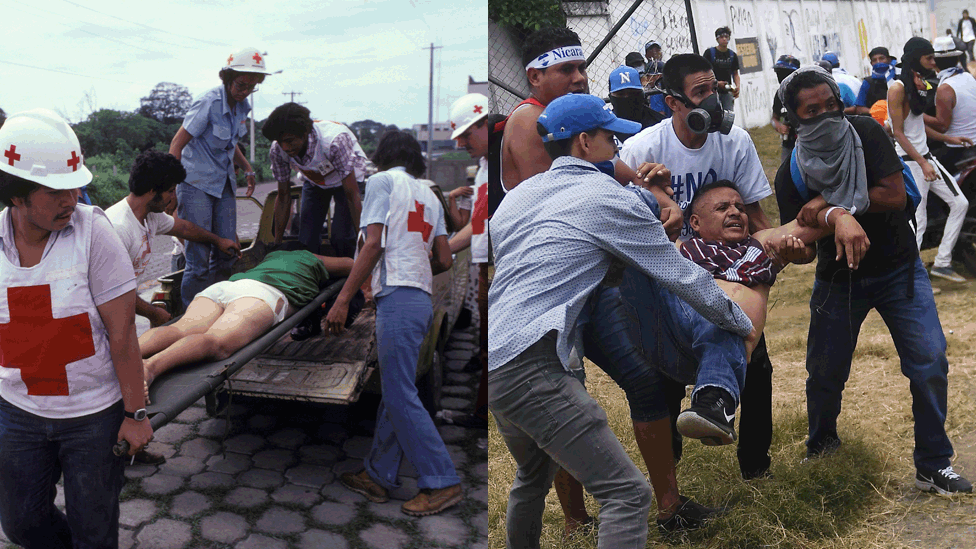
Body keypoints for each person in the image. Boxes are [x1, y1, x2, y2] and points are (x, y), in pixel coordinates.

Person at [488, 92, 754, 549]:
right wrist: (740, 322)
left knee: (532, 476)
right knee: (627, 494)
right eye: (611, 138)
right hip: (530, 365)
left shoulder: (515, 201)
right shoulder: (604, 197)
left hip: (493, 355)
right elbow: (681, 277)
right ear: (585, 143)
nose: (617, 148)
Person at [496, 26, 683, 536]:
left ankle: (668, 504)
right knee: (566, 398)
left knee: (641, 381)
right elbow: (576, 197)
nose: (580, 77)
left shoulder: (574, 123)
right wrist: (647, 204)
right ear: (535, 75)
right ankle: (579, 520)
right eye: (566, 70)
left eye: (581, 68)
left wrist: (657, 194)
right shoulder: (529, 122)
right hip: (553, 295)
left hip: (587, 286)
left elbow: (614, 170)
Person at [775, 66, 973, 495]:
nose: (827, 115)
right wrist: (805, 244)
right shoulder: (790, 171)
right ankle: (822, 450)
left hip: (899, 269)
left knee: (930, 362)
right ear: (793, 119)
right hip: (837, 278)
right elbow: (802, 242)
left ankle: (933, 464)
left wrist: (829, 205)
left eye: (832, 105)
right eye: (813, 110)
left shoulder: (864, 132)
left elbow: (894, 195)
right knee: (824, 373)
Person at [619, 52, 776, 480]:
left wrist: (773, 255)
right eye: (700, 93)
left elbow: (757, 217)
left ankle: (756, 470)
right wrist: (651, 194)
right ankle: (669, 472)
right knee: (661, 379)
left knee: (755, 364)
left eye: (716, 90)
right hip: (671, 277)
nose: (713, 103)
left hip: (727, 275)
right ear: (672, 103)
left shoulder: (736, 142)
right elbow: (622, 223)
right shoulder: (641, 149)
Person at [0, 109, 152, 547]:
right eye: (55, 191)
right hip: (18, 412)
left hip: (92, 416)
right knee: (22, 524)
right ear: (16, 195)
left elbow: (123, 336)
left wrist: (135, 414)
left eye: (75, 186)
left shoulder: (92, 233)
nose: (72, 199)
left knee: (94, 529)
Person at [325, 130, 463, 517]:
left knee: (401, 392)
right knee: (396, 390)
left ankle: (441, 480)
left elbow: (373, 244)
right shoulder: (429, 196)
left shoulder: (381, 182)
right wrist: (415, 263)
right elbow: (445, 260)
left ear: (382, 156)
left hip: (398, 297)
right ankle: (379, 474)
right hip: (419, 298)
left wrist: (341, 300)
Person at [138, 245, 353, 396]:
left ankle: (128, 355)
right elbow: (353, 265)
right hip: (262, 293)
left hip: (228, 286)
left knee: (179, 329)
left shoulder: (273, 256)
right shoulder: (311, 258)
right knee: (215, 343)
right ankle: (150, 367)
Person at [169, 47, 271, 310]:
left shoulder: (243, 106)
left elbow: (231, 143)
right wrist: (171, 188)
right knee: (199, 259)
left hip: (223, 183)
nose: (245, 91)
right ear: (227, 77)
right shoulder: (209, 102)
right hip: (196, 184)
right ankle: (192, 315)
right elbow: (177, 144)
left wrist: (247, 168)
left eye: (251, 86)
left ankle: (217, 308)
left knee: (228, 253)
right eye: (240, 84)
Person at [106, 150, 242, 328]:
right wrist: (153, 313)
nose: (173, 198)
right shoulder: (119, 227)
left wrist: (218, 240)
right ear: (152, 190)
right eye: (170, 191)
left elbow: (184, 227)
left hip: (121, 307)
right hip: (105, 312)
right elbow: (117, 291)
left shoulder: (150, 216)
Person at [889, 37, 971, 283]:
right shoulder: (897, 88)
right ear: (916, 58)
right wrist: (923, 163)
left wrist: (950, 138)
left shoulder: (918, 84)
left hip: (925, 158)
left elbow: (917, 126)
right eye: (929, 58)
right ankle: (911, 278)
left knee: (959, 203)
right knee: (919, 220)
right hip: (911, 161)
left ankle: (942, 263)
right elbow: (898, 132)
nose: (934, 63)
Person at [441, 92, 490, 431]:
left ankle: (479, 414)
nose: (460, 143)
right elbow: (472, 225)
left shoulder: (496, 165)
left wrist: (438, 253)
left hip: (490, 266)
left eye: (466, 134)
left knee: (489, 340)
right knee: (482, 336)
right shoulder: (485, 168)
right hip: (480, 263)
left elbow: (478, 227)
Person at [262, 102, 367, 258]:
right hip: (316, 180)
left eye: (290, 141)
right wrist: (277, 242)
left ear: (305, 134)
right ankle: (313, 275)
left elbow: (352, 195)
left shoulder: (334, 141)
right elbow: (284, 196)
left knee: (342, 237)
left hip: (347, 179)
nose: (285, 147)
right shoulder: (278, 149)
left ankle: (347, 274)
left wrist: (363, 242)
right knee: (306, 238)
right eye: (280, 141)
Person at [607, 65, 665, 136]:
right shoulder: (605, 128)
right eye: (620, 94)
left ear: (641, 93)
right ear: (611, 96)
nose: (627, 98)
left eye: (632, 93)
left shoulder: (659, 124)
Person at [772, 54, 801, 164]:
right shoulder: (780, 94)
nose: (781, 76)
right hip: (788, 144)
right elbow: (774, 118)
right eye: (779, 72)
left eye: (784, 73)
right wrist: (779, 126)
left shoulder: (805, 93)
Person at [703, 27, 740, 111]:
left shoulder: (732, 55)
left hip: (727, 91)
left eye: (726, 37)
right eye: (721, 37)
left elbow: (735, 73)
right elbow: (704, 72)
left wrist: (737, 86)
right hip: (711, 91)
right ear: (717, 39)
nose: (724, 39)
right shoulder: (710, 53)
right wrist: (716, 83)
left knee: (728, 115)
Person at [856, 47, 895, 114]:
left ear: (888, 60)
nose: (878, 62)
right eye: (874, 60)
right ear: (871, 63)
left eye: (881, 58)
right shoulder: (868, 82)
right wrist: (875, 111)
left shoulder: (898, 77)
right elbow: (859, 108)